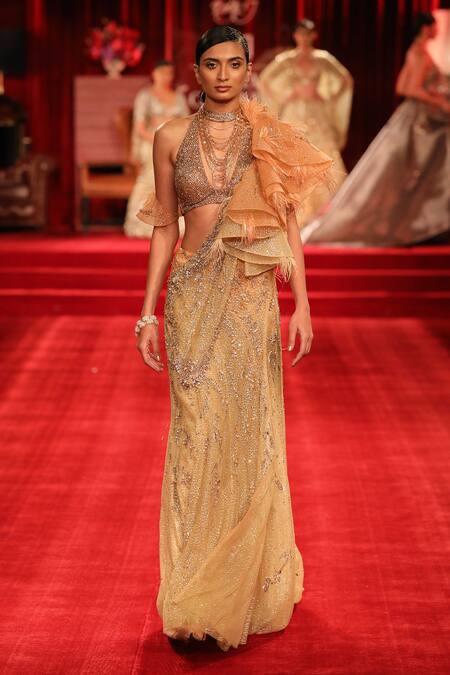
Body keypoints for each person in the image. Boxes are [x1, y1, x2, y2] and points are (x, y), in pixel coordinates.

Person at [134, 26, 333, 651]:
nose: (224, 75)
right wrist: (147, 314)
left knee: (245, 434)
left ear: (249, 70)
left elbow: (289, 221)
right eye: (212, 64)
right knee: (196, 436)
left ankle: (232, 592)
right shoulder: (170, 137)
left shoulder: (265, 134)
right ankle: (192, 592)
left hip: (250, 300)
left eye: (235, 64)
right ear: (196, 72)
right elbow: (164, 226)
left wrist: (302, 304)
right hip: (191, 298)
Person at [302, 12, 450, 246]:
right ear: (426, 28)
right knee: (416, 170)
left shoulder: (416, 51)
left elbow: (401, 85)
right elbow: (408, 88)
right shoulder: (420, 54)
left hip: (415, 117)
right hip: (421, 121)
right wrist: (440, 101)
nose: (437, 30)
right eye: (434, 27)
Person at [257, 18, 353, 224]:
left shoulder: (322, 58)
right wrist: (286, 96)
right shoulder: (286, 59)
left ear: (314, 36)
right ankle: (295, 214)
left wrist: (326, 96)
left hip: (317, 114)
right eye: (300, 33)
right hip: (294, 113)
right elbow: (264, 81)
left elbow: (346, 80)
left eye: (308, 33)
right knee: (293, 157)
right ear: (295, 36)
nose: (304, 37)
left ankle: (325, 215)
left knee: (323, 155)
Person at [124, 60, 189, 238]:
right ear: (154, 74)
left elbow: (186, 124)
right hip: (151, 142)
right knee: (152, 175)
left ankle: (175, 221)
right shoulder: (145, 96)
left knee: (179, 176)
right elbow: (140, 128)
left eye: (169, 73)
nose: (166, 77)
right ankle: (143, 222)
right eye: (162, 73)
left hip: (174, 144)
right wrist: (159, 138)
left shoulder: (178, 97)